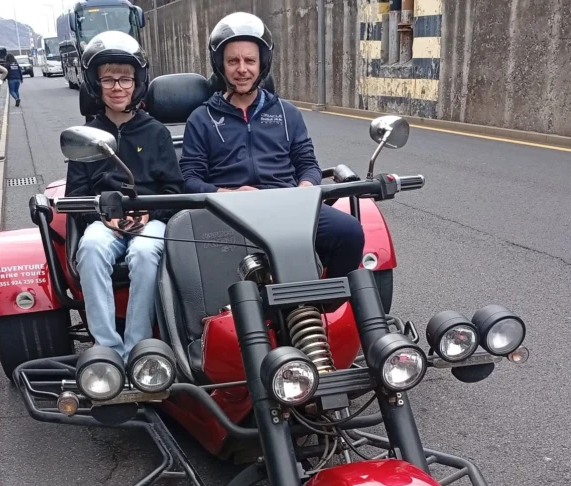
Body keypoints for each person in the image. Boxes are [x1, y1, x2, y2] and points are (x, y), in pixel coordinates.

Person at [180, 13, 365, 278]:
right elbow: (190, 179)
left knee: (350, 231)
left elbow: (308, 164)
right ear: (220, 65)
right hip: (228, 214)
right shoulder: (201, 118)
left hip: (286, 205)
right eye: (233, 61)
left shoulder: (287, 113)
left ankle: (325, 302)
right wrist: (224, 193)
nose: (241, 69)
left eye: (250, 60)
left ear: (262, 64)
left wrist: (305, 188)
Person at [67, 32, 183, 359]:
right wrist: (105, 217)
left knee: (146, 253)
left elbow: (174, 190)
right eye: (108, 79)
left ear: (138, 82)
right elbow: (76, 194)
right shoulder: (86, 137)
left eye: (125, 79)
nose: (117, 87)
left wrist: (149, 215)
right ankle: (107, 350)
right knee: (89, 248)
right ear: (94, 83)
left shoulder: (156, 132)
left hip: (151, 217)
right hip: (104, 219)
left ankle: (138, 349)